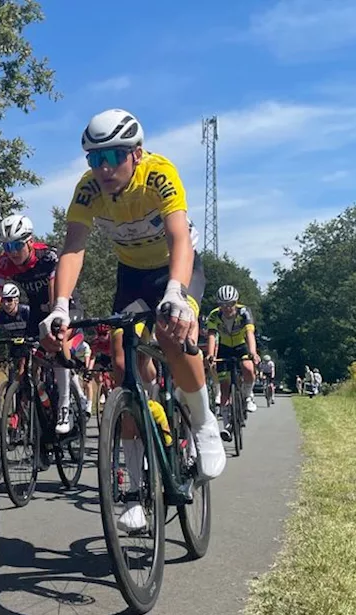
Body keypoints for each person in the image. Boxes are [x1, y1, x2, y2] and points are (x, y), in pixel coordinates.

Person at [45, 108, 225, 533]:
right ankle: (132, 488)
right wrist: (60, 306)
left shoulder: (159, 174)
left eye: (114, 156)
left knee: (171, 334)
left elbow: (179, 236)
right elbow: (73, 248)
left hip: (174, 266)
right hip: (132, 276)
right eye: (94, 158)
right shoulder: (88, 190)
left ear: (137, 154)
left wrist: (177, 293)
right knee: (123, 367)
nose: (104, 167)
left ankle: (203, 424)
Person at [0, 214, 81, 435]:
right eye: (6, 246)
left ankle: (64, 404)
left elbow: (56, 289)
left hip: (63, 301)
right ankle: (40, 421)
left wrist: (55, 321)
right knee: (32, 368)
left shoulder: (47, 256)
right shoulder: (4, 262)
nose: (11, 251)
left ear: (30, 241)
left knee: (57, 342)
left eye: (16, 244)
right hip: (36, 309)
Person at [206, 285, 260, 439]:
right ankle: (226, 425)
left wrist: (253, 352)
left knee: (248, 368)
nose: (227, 308)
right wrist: (210, 354)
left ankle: (247, 396)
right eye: (223, 304)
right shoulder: (214, 315)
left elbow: (250, 333)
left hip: (241, 346)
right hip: (224, 347)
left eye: (230, 304)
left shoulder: (244, 312)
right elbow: (211, 334)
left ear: (236, 303)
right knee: (224, 387)